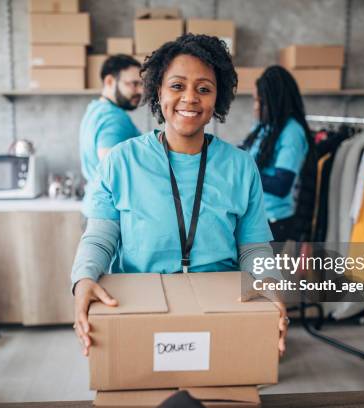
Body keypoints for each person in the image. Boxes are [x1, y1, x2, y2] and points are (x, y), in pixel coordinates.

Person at [71, 34, 287, 357]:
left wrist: (269, 282)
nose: (190, 98)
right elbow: (101, 238)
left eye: (204, 88)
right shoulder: (121, 162)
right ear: (158, 90)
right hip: (140, 307)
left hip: (222, 309)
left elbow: (253, 246)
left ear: (218, 98)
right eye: (177, 86)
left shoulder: (241, 167)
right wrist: (83, 279)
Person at [241, 66, 317, 242]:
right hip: (253, 217)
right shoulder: (262, 126)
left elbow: (281, 185)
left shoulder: (292, 132)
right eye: (255, 100)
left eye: (261, 101)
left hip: (274, 223)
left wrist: (243, 172)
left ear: (275, 101)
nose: (255, 107)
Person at [79, 54, 143, 185]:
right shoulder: (113, 118)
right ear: (109, 81)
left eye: (141, 84)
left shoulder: (95, 109)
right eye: (134, 84)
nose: (140, 91)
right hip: (113, 203)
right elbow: (113, 174)